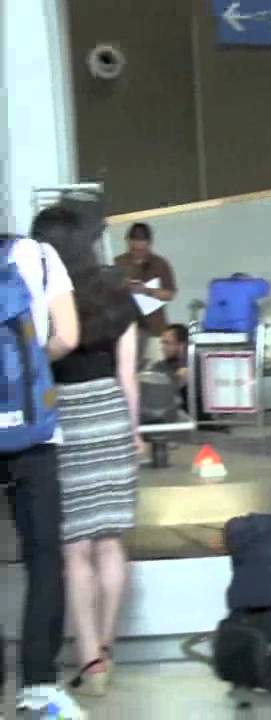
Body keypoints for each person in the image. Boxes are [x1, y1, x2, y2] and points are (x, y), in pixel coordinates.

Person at [37, 203, 144, 700]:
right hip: (110, 414)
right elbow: (128, 375)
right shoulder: (117, 290)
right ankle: (107, 646)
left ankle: (90, 661)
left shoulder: (44, 293)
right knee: (110, 542)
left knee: (75, 549)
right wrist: (134, 431)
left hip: (63, 418)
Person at [0, 224, 83, 717]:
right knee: (44, 556)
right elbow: (68, 336)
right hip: (33, 434)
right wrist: (32, 364)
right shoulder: (40, 256)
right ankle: (37, 683)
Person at [113, 222, 176, 368]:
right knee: (128, 369)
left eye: (142, 249)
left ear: (149, 244)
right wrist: (123, 288)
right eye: (134, 249)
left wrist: (147, 290)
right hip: (127, 329)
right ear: (128, 242)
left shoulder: (160, 263)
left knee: (157, 369)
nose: (138, 253)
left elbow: (169, 294)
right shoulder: (118, 263)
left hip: (155, 329)